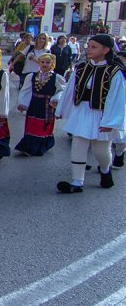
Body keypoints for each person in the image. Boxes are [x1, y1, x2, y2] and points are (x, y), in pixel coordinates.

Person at [56, 34, 126, 193]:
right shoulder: (81, 67)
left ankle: (105, 169)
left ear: (106, 49)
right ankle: (77, 181)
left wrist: (110, 121)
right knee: (78, 145)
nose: (89, 49)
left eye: (94, 47)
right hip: (82, 112)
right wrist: (62, 109)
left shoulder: (115, 71)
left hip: (103, 114)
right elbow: (70, 90)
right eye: (89, 46)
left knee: (100, 150)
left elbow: (118, 97)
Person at [14, 53, 66, 156]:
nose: (44, 64)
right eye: (42, 62)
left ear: (52, 64)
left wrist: (55, 99)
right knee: (32, 124)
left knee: (43, 125)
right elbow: (26, 90)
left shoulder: (56, 78)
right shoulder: (32, 76)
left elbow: (62, 90)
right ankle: (28, 145)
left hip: (47, 105)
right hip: (34, 103)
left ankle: (41, 145)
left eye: (47, 62)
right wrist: (23, 103)